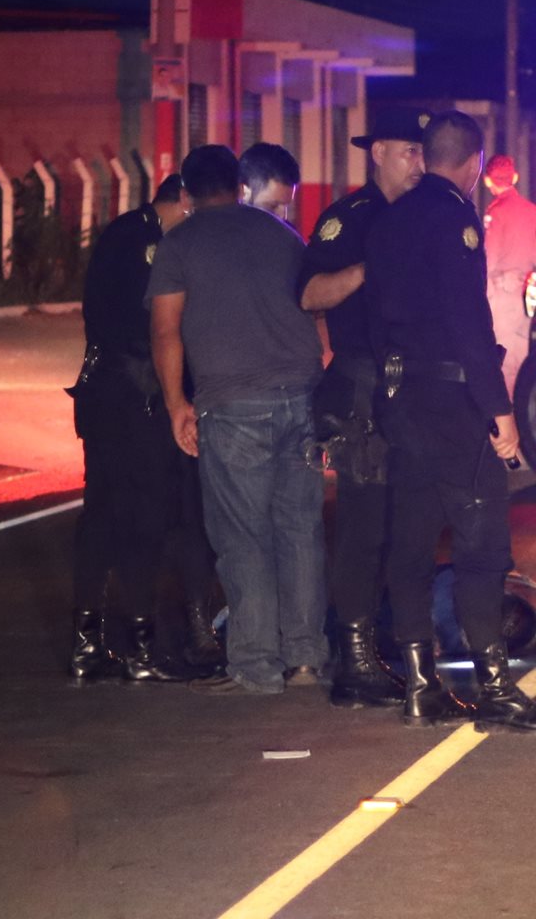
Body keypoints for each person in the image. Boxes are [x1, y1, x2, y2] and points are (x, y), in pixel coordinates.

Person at [364, 109, 536, 730]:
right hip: (452, 406)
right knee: (482, 548)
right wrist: (501, 414)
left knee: (409, 544)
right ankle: (494, 688)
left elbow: (374, 318)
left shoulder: (388, 220)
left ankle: (419, 685)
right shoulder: (455, 219)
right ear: (471, 164)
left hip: (399, 399)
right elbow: (468, 324)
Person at [148, 145, 327, 695]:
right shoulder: (280, 234)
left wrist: (178, 403)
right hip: (300, 397)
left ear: (187, 194)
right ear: (238, 185)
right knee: (299, 530)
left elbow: (165, 330)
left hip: (233, 405)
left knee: (243, 536)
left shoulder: (179, 244)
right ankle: (306, 660)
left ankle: (255, 667)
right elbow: (312, 306)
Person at [297, 106, 428, 708]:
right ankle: (353, 661)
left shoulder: (426, 213)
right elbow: (308, 293)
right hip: (361, 390)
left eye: (425, 153)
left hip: (414, 390)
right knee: (362, 525)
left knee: (408, 525)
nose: (419, 164)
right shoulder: (349, 218)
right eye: (409, 151)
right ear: (377, 152)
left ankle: (384, 644)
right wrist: (367, 269)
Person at [67, 174, 221, 683]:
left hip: (104, 395)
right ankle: (138, 648)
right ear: (183, 198)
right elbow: (157, 327)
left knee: (103, 516)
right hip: (137, 397)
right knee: (142, 519)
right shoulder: (150, 242)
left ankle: (87, 645)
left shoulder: (122, 232)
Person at [482, 153, 536, 399]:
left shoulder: (496, 212)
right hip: (527, 295)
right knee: (524, 362)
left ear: (487, 181)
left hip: (501, 297)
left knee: (502, 365)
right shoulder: (531, 211)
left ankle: (505, 428)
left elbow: (489, 258)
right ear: (514, 177)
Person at [238, 141, 301, 223]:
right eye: (272, 207)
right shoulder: (220, 231)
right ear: (243, 192)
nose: (283, 217)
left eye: (286, 206)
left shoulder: (287, 234)